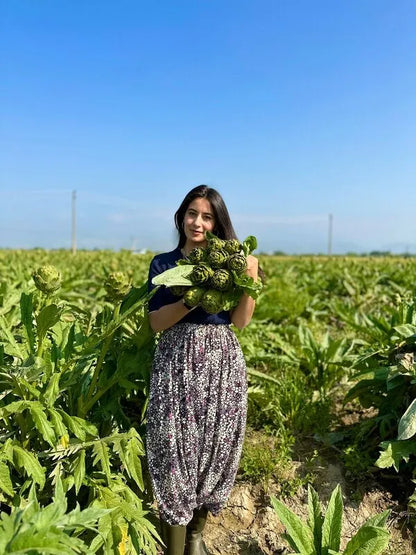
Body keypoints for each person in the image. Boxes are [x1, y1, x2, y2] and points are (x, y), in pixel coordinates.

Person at [146, 185, 259, 555]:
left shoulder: (230, 263)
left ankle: (195, 539)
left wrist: (251, 281)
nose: (198, 222)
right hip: (177, 361)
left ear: (217, 223)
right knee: (174, 450)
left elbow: (240, 322)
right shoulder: (163, 265)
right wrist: (192, 296)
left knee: (215, 449)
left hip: (221, 362)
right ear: (182, 217)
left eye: (207, 216)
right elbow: (156, 323)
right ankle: (175, 547)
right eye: (192, 214)